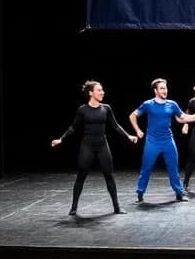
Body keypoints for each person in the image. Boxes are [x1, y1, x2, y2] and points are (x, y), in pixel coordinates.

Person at [51, 80, 137, 216]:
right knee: (81, 175)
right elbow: (73, 127)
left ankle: (117, 207)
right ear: (90, 93)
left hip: (102, 145)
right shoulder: (82, 110)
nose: (102, 92)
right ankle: (73, 207)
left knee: (109, 175)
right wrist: (61, 139)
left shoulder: (106, 108)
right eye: (99, 90)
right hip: (87, 146)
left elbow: (116, 126)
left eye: (102, 90)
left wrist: (128, 136)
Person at [129, 78, 195, 202]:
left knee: (173, 168)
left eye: (166, 88)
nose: (165, 90)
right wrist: (137, 130)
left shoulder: (172, 104)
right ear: (155, 91)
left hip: (168, 141)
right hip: (152, 142)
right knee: (146, 168)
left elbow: (182, 117)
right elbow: (132, 115)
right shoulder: (148, 104)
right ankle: (140, 194)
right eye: (162, 88)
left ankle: (179, 193)